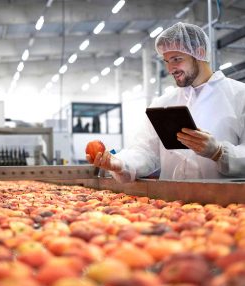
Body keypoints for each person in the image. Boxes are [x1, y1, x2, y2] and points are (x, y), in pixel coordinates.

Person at [86, 22, 245, 182]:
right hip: (170, 203)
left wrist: (219, 152)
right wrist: (120, 163)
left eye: (176, 59)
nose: (170, 69)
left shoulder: (239, 95)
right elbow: (145, 152)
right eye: (167, 61)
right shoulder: (163, 103)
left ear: (200, 53)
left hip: (226, 203)